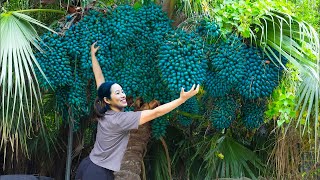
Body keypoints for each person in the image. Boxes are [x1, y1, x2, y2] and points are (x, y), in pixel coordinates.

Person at [75, 42, 200, 180]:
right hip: (98, 173)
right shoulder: (121, 120)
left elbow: (99, 79)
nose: (123, 95)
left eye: (122, 91)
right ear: (108, 100)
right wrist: (181, 99)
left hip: (88, 165)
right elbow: (155, 113)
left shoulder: (104, 110)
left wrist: (93, 55)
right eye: (117, 93)